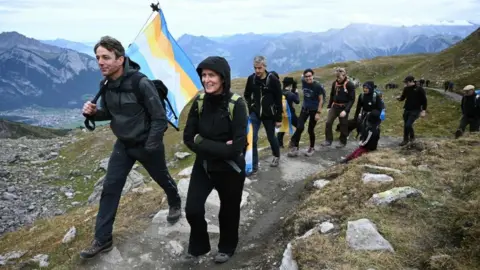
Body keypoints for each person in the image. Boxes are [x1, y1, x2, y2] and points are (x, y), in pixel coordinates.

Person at [80, 36, 182, 259]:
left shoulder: (140, 83)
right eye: (98, 57)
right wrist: (93, 114)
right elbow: (110, 113)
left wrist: (150, 145)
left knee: (162, 178)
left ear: (120, 59)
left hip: (147, 144)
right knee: (110, 188)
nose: (100, 62)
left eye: (106, 57)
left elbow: (159, 118)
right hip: (123, 145)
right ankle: (103, 238)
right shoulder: (105, 85)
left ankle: (175, 201)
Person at [183, 56, 248, 264]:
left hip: (230, 170)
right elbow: (187, 137)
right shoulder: (200, 101)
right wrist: (219, 147)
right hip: (204, 166)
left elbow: (237, 148)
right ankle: (199, 245)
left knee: (228, 212)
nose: (206, 80)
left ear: (223, 77)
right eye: (203, 75)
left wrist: (200, 141)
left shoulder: (236, 104)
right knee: (192, 209)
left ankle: (227, 247)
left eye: (211, 75)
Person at [243, 56, 283, 172]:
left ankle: (276, 156)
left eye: (259, 68)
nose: (257, 71)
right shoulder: (251, 79)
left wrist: (279, 118)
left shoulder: (273, 80)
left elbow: (278, 99)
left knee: (271, 137)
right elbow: (246, 94)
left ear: (265, 67)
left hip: (269, 115)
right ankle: (254, 165)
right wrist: (251, 107)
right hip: (255, 114)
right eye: (255, 68)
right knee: (252, 138)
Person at [287, 68, 325, 157]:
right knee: (299, 127)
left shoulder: (317, 86)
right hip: (304, 109)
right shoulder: (303, 81)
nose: (308, 78)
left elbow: (321, 100)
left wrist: (318, 113)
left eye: (310, 76)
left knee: (310, 130)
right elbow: (300, 78)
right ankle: (295, 148)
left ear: (313, 76)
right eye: (306, 76)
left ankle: (311, 148)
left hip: (314, 111)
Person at [321, 67, 356, 148]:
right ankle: (328, 140)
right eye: (336, 77)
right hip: (335, 106)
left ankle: (342, 141)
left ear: (344, 75)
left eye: (339, 77)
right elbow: (332, 94)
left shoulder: (349, 85)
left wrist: (346, 111)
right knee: (328, 123)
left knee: (343, 124)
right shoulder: (335, 83)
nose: (338, 79)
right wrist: (329, 106)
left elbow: (352, 99)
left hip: (344, 108)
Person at [396, 75, 427, 146]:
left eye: (406, 82)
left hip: (415, 110)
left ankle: (411, 137)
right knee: (406, 125)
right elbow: (403, 97)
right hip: (407, 109)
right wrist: (399, 98)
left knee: (408, 125)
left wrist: (423, 111)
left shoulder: (419, 89)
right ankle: (406, 139)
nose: (405, 84)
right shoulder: (406, 89)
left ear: (411, 81)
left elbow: (424, 100)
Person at [277, 77, 299, 148]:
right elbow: (297, 101)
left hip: (282, 114)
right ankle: (293, 141)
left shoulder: (280, 92)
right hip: (290, 114)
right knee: (300, 127)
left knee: (282, 129)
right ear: (290, 85)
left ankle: (280, 145)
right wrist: (296, 92)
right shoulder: (291, 94)